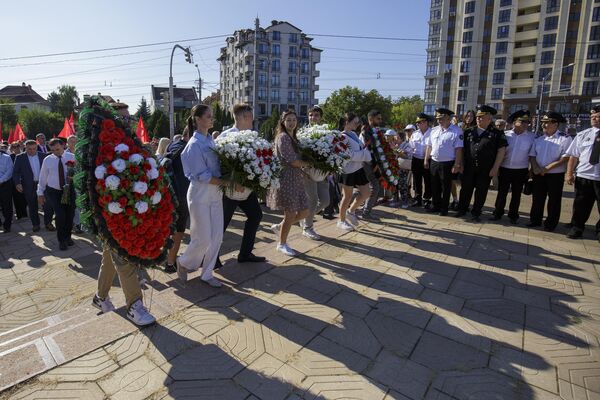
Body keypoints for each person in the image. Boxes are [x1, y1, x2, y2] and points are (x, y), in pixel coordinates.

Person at [93, 101, 156, 326]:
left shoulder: (133, 145)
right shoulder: (98, 148)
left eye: (128, 118)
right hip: (111, 214)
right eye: (122, 118)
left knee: (110, 257)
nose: (127, 122)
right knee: (125, 257)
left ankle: (100, 297)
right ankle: (134, 306)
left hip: (130, 211)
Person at [177, 104, 238, 288]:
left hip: (214, 194)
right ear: (198, 120)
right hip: (199, 194)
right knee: (202, 238)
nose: (212, 119)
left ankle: (207, 273)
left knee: (217, 237)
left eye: (212, 116)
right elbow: (202, 176)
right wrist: (228, 183)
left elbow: (218, 168)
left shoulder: (210, 140)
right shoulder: (194, 145)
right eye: (209, 116)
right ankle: (184, 262)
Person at [218, 104, 266, 265]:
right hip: (230, 189)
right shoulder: (226, 136)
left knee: (256, 215)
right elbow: (219, 165)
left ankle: (245, 254)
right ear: (241, 118)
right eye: (250, 116)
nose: (253, 119)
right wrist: (232, 181)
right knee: (222, 224)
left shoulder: (252, 135)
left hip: (247, 188)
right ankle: (211, 258)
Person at [267, 110, 311, 256]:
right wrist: (308, 163)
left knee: (304, 211)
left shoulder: (294, 137)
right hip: (286, 178)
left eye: (294, 119)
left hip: (296, 178)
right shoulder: (283, 137)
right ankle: (282, 243)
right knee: (290, 213)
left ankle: (280, 227)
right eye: (288, 120)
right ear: (283, 122)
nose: (291, 122)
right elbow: (292, 161)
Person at [455, 105, 507, 222]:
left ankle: (476, 212)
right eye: (478, 117)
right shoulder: (468, 131)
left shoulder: (496, 133)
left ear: (489, 118)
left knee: (481, 191)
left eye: (482, 117)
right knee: (465, 189)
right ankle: (462, 209)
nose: (478, 119)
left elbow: (501, 151)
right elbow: (462, 150)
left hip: (486, 168)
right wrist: (461, 164)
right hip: (469, 167)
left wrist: (495, 167)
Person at [528, 111, 572, 231]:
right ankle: (535, 220)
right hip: (539, 174)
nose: (544, 125)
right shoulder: (539, 139)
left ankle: (550, 224)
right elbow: (532, 155)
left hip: (555, 175)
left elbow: (565, 157)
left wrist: (547, 168)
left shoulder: (565, 138)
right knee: (537, 198)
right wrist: (536, 168)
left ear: (555, 124)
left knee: (554, 200)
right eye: (543, 122)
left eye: (547, 123)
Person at [491, 110, 535, 224]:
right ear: (515, 122)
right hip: (505, 168)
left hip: (521, 170)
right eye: (522, 121)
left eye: (527, 122)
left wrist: (531, 170)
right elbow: (499, 152)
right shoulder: (506, 135)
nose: (525, 124)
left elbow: (532, 155)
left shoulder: (531, 137)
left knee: (516, 194)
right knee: (502, 192)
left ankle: (513, 215)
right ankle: (498, 212)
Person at [565, 105, 600, 241]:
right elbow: (573, 156)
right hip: (584, 176)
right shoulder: (583, 134)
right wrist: (569, 173)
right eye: (592, 117)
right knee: (580, 205)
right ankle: (577, 228)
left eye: (597, 116)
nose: (594, 119)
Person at [37, 138, 75, 249]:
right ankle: (61, 240)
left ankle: (68, 237)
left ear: (63, 145)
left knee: (69, 215)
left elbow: (79, 173)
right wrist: (40, 193)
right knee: (60, 215)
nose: (55, 152)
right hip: (54, 191)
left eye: (57, 149)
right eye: (53, 150)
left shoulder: (72, 157)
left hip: (69, 191)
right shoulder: (47, 160)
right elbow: (43, 177)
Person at [424, 108, 464, 216]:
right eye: (438, 119)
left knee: (446, 187)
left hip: (448, 163)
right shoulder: (434, 130)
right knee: (434, 185)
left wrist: (457, 164)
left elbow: (459, 149)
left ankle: (444, 208)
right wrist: (426, 159)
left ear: (448, 118)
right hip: (434, 161)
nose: (439, 121)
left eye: (441, 119)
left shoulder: (457, 131)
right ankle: (435, 205)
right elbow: (429, 146)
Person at [337, 112, 371, 231]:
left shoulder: (353, 134)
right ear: (347, 122)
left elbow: (360, 149)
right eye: (355, 122)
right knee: (347, 196)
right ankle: (341, 220)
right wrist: (364, 155)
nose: (357, 124)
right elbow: (347, 155)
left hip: (358, 168)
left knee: (366, 192)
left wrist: (364, 153)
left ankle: (350, 211)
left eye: (358, 122)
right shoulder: (342, 136)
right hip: (348, 170)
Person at [301, 105, 330, 240]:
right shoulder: (302, 132)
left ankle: (303, 216)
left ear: (321, 117)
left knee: (325, 201)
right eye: (311, 115)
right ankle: (308, 227)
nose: (313, 117)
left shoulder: (326, 133)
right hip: (307, 172)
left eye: (316, 115)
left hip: (322, 172)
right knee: (312, 200)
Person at [163, 127, 191, 273]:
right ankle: (170, 263)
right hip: (181, 196)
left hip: (168, 194)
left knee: (168, 229)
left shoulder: (172, 145)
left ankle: (164, 258)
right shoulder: (187, 150)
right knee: (178, 232)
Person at [13, 140, 54, 232]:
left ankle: (48, 223)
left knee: (48, 205)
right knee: (32, 206)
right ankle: (35, 224)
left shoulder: (43, 156)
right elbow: (16, 172)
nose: (32, 151)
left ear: (37, 147)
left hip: (43, 184)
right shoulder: (20, 157)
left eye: (34, 149)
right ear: (25, 148)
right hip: (28, 185)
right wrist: (17, 183)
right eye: (29, 149)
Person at [360, 110, 384, 220]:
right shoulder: (366, 131)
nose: (380, 120)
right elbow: (369, 149)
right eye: (378, 118)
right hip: (367, 163)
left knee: (370, 188)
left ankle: (364, 210)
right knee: (374, 187)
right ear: (371, 119)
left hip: (371, 163)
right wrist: (375, 164)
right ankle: (365, 212)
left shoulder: (374, 130)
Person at [410, 113, 433, 208]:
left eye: (420, 122)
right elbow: (411, 146)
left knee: (428, 180)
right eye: (417, 123)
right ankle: (418, 199)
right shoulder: (415, 134)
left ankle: (427, 199)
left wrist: (426, 159)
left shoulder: (432, 132)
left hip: (427, 160)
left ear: (426, 122)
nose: (418, 124)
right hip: (416, 159)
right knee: (417, 180)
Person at [9, 143, 28, 220]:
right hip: (14, 180)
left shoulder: (24, 155)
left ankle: (24, 213)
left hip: (24, 179)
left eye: (18, 146)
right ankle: (19, 214)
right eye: (14, 147)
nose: (16, 148)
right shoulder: (10, 157)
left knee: (24, 198)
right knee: (17, 198)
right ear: (12, 148)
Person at [397, 126, 414, 209]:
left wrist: (401, 154)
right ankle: (397, 200)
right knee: (397, 184)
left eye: (397, 138)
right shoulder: (397, 145)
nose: (396, 139)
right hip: (397, 168)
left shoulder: (407, 145)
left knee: (404, 185)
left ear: (401, 138)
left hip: (405, 169)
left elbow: (409, 156)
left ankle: (405, 201)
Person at [0, 149, 13, 233]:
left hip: (4, 185)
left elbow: (9, 171)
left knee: (7, 206)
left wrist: (1, 180)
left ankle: (7, 225)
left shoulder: (7, 158)